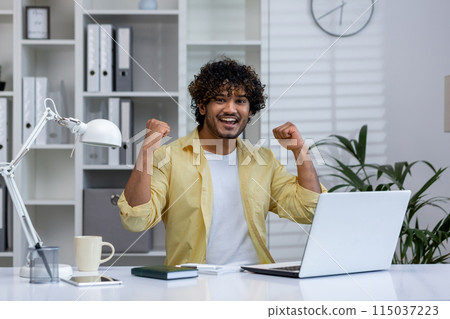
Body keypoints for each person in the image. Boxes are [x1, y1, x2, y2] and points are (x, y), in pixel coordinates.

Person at [118, 57, 326, 266]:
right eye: (220, 99)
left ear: (250, 110)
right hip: (193, 286)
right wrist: (146, 151)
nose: (230, 109)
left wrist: (300, 150)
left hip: (255, 283)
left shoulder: (264, 161)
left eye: (240, 101)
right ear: (202, 106)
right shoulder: (168, 157)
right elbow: (136, 220)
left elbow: (309, 211)